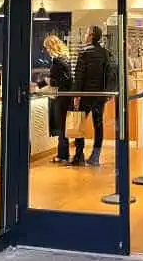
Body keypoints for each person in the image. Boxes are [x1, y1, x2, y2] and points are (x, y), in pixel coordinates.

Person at [72, 25, 114, 166]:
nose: (85, 36)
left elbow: (79, 75)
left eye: (86, 33)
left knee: (78, 124)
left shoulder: (84, 52)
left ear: (91, 36)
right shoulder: (105, 53)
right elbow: (109, 74)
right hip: (100, 95)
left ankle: (79, 155)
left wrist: (76, 95)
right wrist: (107, 92)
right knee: (98, 124)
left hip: (85, 94)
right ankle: (95, 156)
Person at [38, 34, 73, 163]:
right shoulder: (64, 58)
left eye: (47, 47)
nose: (46, 50)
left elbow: (63, 80)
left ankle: (63, 155)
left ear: (51, 46)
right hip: (65, 96)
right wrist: (41, 83)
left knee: (61, 126)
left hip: (61, 96)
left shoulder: (58, 61)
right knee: (63, 126)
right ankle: (63, 154)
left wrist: (50, 81)